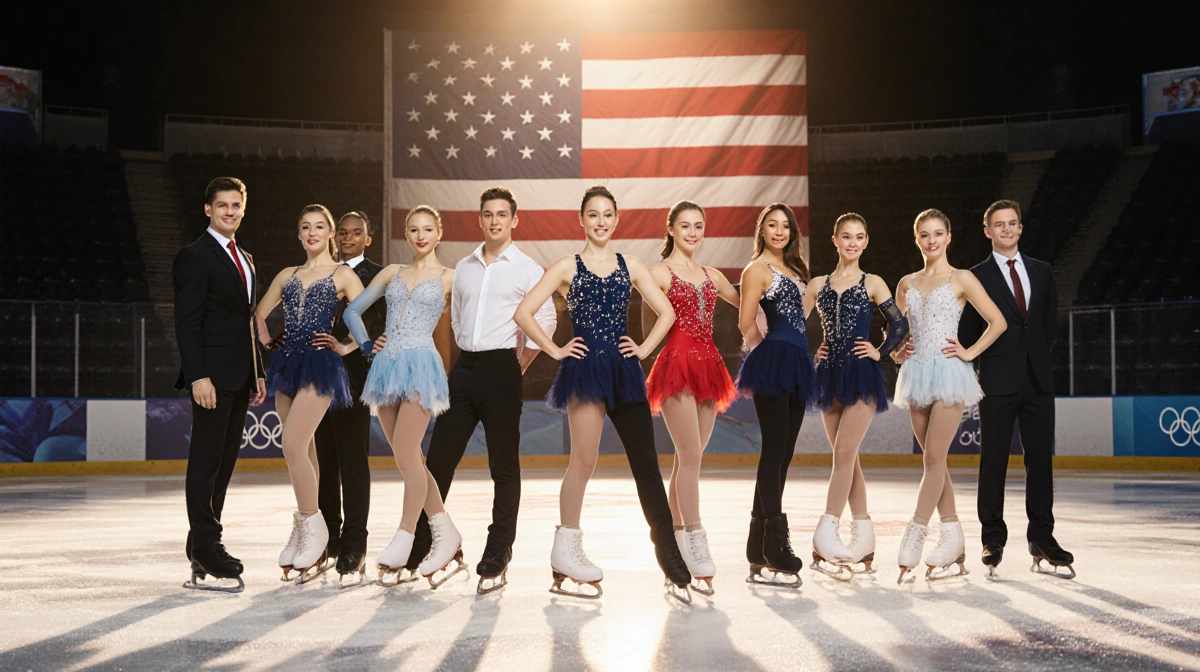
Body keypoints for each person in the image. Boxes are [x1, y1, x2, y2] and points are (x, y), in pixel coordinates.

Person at [514, 185, 692, 602]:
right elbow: (523, 312)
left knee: (646, 463)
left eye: (607, 214)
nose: (600, 221)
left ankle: (668, 552)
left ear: (616, 219)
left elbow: (667, 312)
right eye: (593, 214)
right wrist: (555, 349)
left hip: (624, 372)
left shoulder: (631, 265)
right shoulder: (566, 266)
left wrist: (644, 349)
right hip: (584, 373)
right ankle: (566, 551)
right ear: (582, 220)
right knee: (583, 461)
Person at [403, 187, 557, 596]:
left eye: (502, 215)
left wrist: (521, 362)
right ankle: (427, 543)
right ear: (480, 219)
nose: (494, 221)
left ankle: (497, 551)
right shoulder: (465, 267)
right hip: (465, 369)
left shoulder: (526, 269)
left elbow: (546, 318)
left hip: (503, 368)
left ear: (514, 220)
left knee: (503, 467)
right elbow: (456, 319)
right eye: (488, 214)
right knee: (438, 461)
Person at [342, 205, 466, 589]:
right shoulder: (391, 272)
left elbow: (474, 316)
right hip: (386, 366)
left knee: (408, 451)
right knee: (405, 457)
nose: (420, 236)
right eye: (413, 229)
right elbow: (352, 312)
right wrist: (366, 344)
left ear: (439, 233)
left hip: (422, 365)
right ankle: (446, 533)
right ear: (407, 234)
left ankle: (406, 534)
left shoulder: (451, 277)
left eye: (427, 229)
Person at [958, 200, 1074, 579]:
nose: (1006, 229)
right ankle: (992, 538)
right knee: (993, 462)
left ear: (1020, 228)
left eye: (1012, 223)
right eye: (999, 224)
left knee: (1040, 461)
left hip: (1038, 379)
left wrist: (1032, 359)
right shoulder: (976, 276)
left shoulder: (1042, 271)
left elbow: (1047, 327)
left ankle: (1042, 537)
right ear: (987, 231)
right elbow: (970, 332)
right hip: (996, 380)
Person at [891, 209, 1006, 583]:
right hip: (916, 374)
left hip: (949, 373)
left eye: (938, 233)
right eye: (924, 234)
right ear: (917, 239)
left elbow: (998, 321)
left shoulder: (962, 278)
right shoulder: (906, 283)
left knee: (934, 457)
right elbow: (897, 334)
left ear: (949, 237)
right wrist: (896, 353)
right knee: (933, 461)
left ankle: (915, 534)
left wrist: (970, 352)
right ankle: (954, 539)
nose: (931, 240)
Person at [256, 204, 364, 584]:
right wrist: (269, 343)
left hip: (320, 365)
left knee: (292, 445)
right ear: (299, 233)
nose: (312, 232)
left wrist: (345, 346)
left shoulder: (343, 274)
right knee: (304, 451)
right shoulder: (287, 274)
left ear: (330, 233)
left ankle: (312, 527)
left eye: (319, 226)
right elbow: (258, 314)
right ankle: (308, 527)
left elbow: (367, 317)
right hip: (287, 364)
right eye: (306, 227)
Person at [174, 176, 266, 593]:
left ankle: (200, 544)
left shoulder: (244, 257)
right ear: (208, 209)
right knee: (206, 462)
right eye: (222, 205)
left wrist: (257, 370)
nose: (230, 211)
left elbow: (246, 321)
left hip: (239, 375)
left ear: (243, 209)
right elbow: (187, 322)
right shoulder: (194, 256)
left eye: (236, 205)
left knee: (224, 463)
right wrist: (198, 375)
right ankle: (209, 545)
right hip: (211, 376)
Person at [642, 200, 739, 595]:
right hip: (676, 366)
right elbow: (650, 327)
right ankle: (696, 539)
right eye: (685, 226)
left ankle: (674, 549)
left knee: (688, 460)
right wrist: (644, 351)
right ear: (671, 229)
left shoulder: (712, 275)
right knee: (691, 456)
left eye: (699, 225)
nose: (693, 232)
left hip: (709, 367)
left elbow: (750, 303)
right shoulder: (658, 274)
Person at [808, 213, 908, 580]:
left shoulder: (873, 282)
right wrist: (811, 354)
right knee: (848, 460)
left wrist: (881, 352)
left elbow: (900, 324)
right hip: (829, 376)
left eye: (859, 237)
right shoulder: (817, 284)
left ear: (866, 242)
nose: (853, 242)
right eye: (847, 236)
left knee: (845, 454)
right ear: (835, 240)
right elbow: (792, 325)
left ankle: (826, 531)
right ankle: (864, 540)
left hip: (863, 376)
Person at [732, 203, 816, 588]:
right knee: (774, 449)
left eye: (785, 226)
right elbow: (745, 321)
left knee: (784, 453)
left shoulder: (796, 270)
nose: (779, 231)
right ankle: (776, 544)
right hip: (774, 361)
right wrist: (766, 353)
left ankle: (756, 547)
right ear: (762, 230)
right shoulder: (757, 269)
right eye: (772, 225)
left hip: (797, 362)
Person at [312, 211, 385, 586]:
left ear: (367, 239)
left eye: (357, 233)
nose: (348, 238)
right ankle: (328, 538)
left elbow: (379, 324)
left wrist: (349, 347)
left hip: (354, 377)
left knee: (353, 459)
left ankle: (355, 543)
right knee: (325, 460)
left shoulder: (378, 275)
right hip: (316, 376)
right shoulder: (321, 271)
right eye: (342, 232)